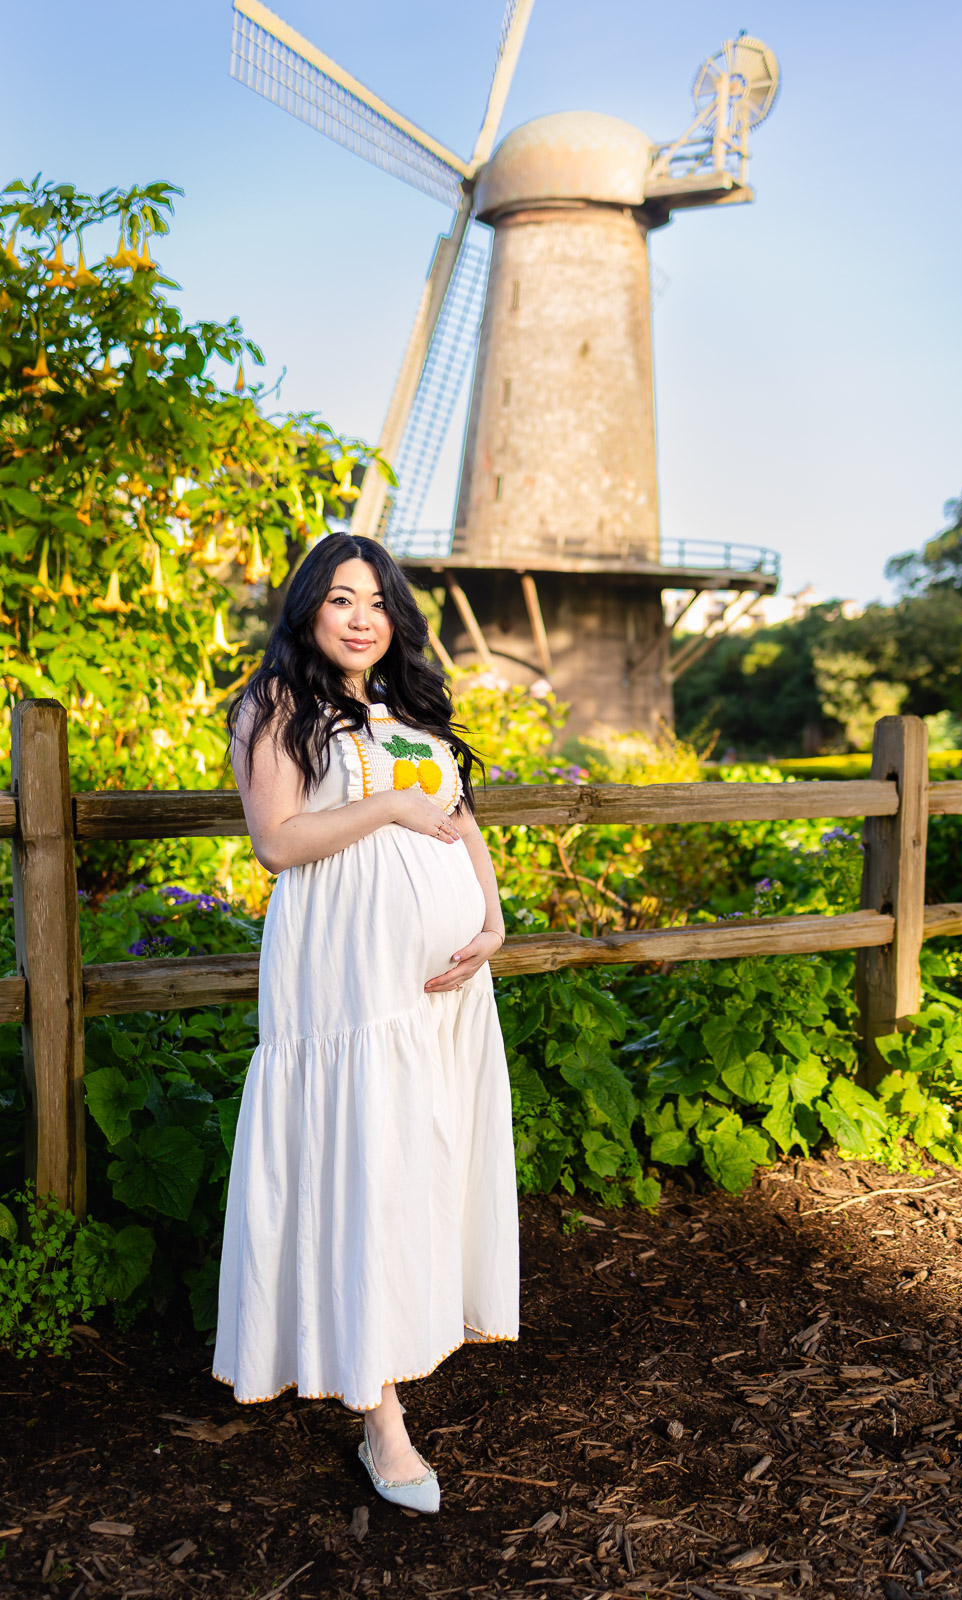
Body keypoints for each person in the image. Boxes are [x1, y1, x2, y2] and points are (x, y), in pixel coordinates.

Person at [212, 532, 520, 1514]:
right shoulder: (276, 703)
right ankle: (380, 1418)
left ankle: (420, 1324)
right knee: (367, 1165)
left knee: (423, 1165)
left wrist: (491, 915)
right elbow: (277, 841)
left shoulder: (407, 708)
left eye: (377, 600)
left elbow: (460, 818)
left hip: (438, 989)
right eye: (340, 598)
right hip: (344, 984)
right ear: (307, 609)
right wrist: (387, 806)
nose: (360, 616)